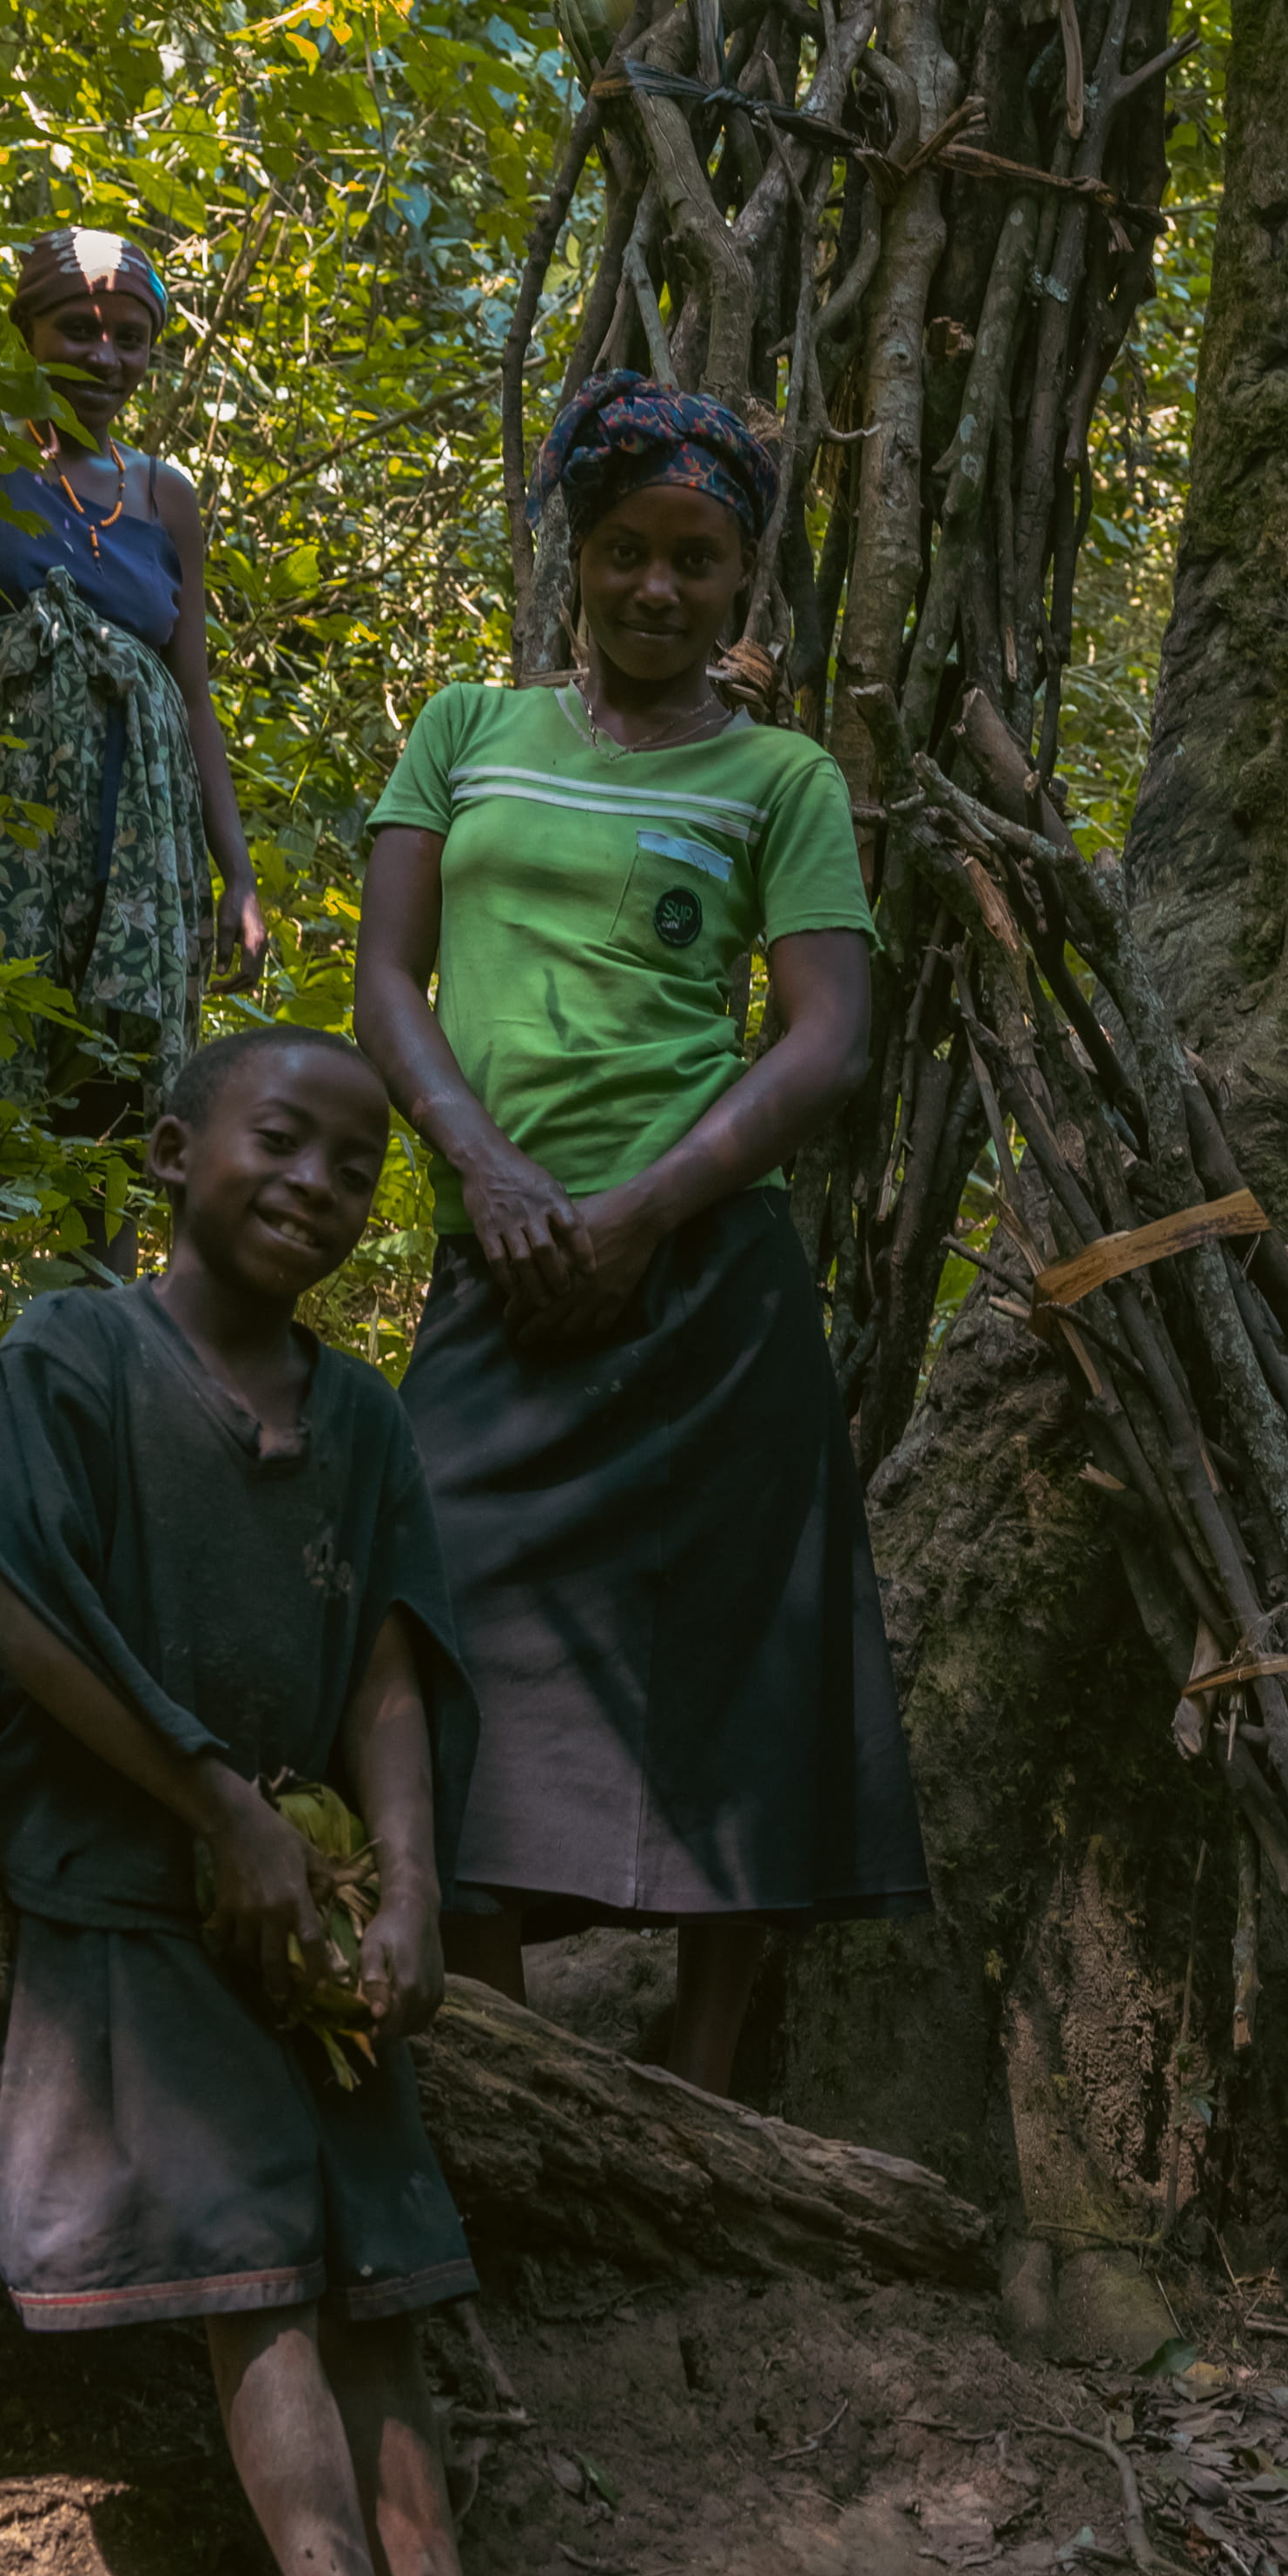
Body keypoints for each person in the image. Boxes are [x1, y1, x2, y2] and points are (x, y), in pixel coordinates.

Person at [0, 1021, 592, 2576]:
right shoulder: (73, 1353)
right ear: (171, 1152)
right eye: (278, 1139)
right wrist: (213, 1801)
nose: (313, 1183)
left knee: (381, 2268)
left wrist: (403, 1884)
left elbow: (390, 1662)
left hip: (307, 1927)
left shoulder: (364, 1418)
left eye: (353, 1167)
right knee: (255, 2271)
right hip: (134, 1891)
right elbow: (24, 1610)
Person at [353, 373, 927, 2105]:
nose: (656, 589)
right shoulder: (463, 730)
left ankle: (697, 2091)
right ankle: (514, 2076)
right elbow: (387, 979)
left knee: (738, 1672)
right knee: (435, 1630)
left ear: (744, 584)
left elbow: (824, 1033)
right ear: (573, 560)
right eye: (623, 552)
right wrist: (493, 1176)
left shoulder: (781, 776)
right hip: (502, 1274)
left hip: (704, 1291)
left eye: (696, 559)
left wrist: (634, 1209)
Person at [0, 228, 260, 1155]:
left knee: (116, 1110)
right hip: (2, 834)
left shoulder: (161, 494)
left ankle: (110, 1298)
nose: (106, 357)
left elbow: (193, 696)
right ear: (26, 332)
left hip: (136, 846)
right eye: (78, 329)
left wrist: (237, 875)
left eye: (130, 338)